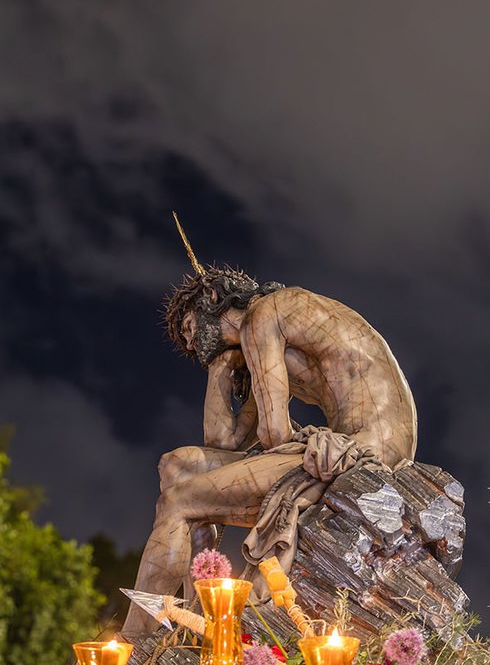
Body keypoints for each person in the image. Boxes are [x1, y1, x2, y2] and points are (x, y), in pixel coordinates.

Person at [121, 261, 417, 637]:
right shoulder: (269, 337)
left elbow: (274, 433)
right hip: (356, 440)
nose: (193, 345)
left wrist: (282, 433)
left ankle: (135, 641)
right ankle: (199, 617)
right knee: (177, 465)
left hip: (368, 447)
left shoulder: (266, 313)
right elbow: (223, 442)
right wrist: (219, 370)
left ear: (212, 298)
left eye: (191, 328)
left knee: (178, 501)